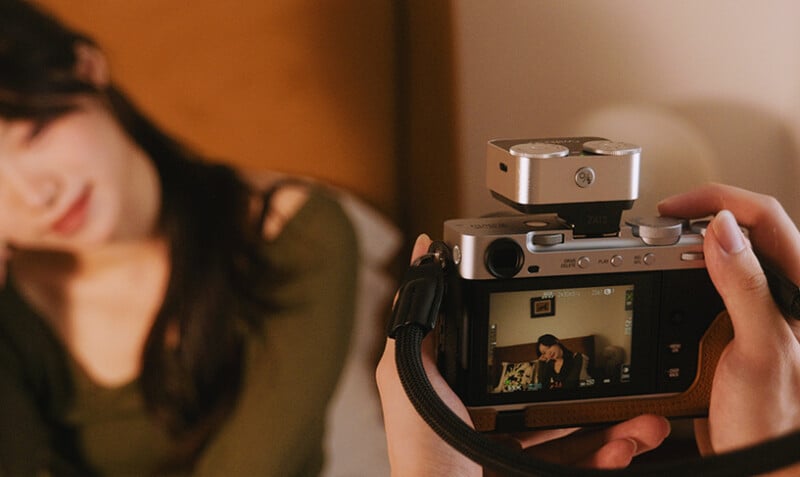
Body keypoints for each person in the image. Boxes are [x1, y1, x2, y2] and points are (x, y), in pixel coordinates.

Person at [0, 1, 358, 475]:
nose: (35, 195)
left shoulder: (294, 235)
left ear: (87, 67)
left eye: (35, 133)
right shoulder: (12, 304)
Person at [376, 183, 800, 475]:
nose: (543, 356)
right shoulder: (542, 369)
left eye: (546, 350)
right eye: (540, 353)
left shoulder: (582, 359)